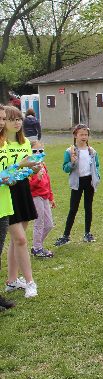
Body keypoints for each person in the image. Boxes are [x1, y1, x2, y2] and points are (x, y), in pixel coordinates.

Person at [3, 105, 39, 298]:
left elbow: (26, 170)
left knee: (17, 239)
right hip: (6, 193)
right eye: (11, 119)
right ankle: (30, 282)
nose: (16, 123)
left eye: (19, 119)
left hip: (22, 190)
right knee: (21, 239)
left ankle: (12, 280)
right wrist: (19, 165)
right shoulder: (2, 145)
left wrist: (33, 169)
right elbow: (3, 174)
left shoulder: (24, 143)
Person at [55, 124, 101, 246]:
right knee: (73, 209)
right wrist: (72, 162)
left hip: (89, 181)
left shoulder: (92, 151)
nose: (84, 137)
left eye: (86, 134)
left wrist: (97, 176)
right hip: (77, 182)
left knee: (88, 207)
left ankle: (87, 233)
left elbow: (96, 165)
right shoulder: (70, 151)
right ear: (75, 135)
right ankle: (66, 235)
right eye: (81, 134)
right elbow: (65, 168)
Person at [0, 106, 18, 311]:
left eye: (3, 118)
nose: (1, 122)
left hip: (4, 205)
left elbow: (5, 170)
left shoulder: (3, 143)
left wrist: (16, 172)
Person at [28, 140, 56, 258]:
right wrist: (37, 179)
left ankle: (36, 245)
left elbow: (48, 182)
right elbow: (29, 187)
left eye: (41, 150)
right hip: (36, 197)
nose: (38, 153)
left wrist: (51, 197)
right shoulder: (28, 167)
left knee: (49, 224)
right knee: (39, 222)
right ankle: (37, 248)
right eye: (34, 151)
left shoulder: (43, 165)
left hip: (45, 197)